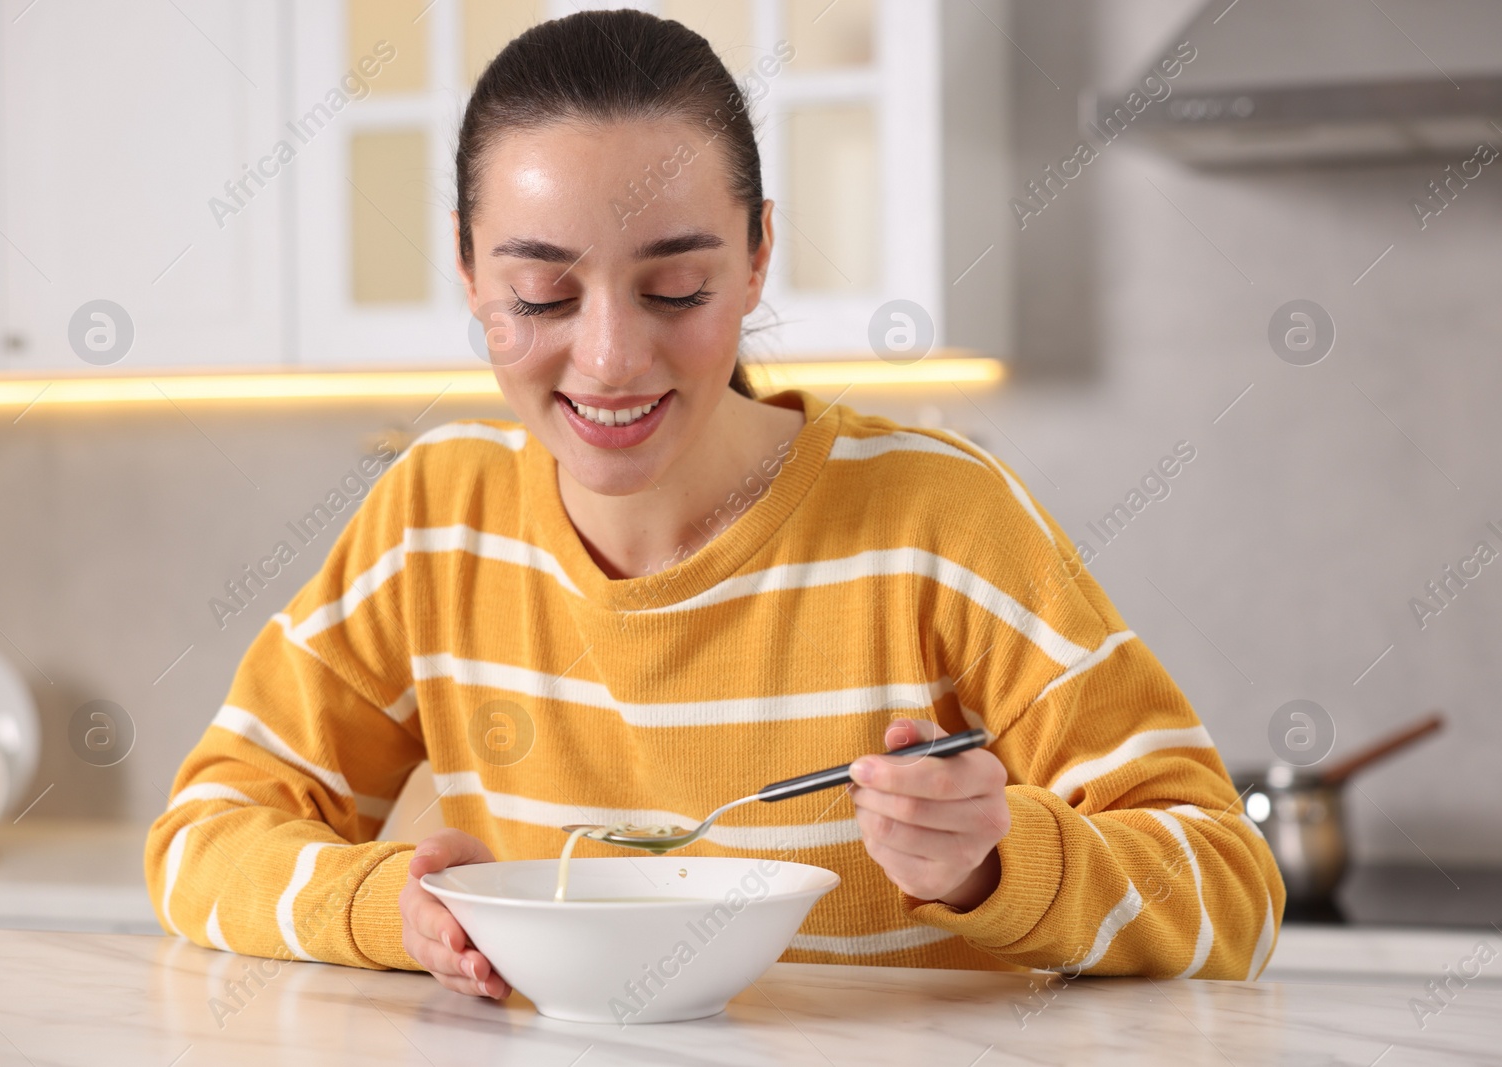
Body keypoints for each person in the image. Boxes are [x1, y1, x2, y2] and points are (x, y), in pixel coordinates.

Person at [146, 9, 1283, 1002]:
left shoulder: (939, 516)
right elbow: (202, 835)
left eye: (675, 287)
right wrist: (385, 907)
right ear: (467, 272)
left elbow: (1233, 888)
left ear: (755, 256)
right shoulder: (433, 520)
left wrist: (998, 862)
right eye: (540, 293)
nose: (607, 357)